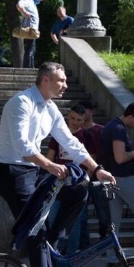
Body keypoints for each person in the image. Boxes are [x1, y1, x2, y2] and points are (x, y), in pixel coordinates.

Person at [0, 62, 115, 267]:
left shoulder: (50, 109)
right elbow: (22, 145)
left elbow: (70, 142)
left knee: (79, 190)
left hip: (34, 171)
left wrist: (96, 169)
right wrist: (49, 165)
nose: (66, 85)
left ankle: (53, 243)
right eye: (61, 80)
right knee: (36, 232)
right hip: (12, 173)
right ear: (45, 80)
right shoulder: (21, 103)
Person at [101, 102, 134, 267]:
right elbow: (120, 158)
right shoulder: (119, 129)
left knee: (114, 221)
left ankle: (112, 259)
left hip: (110, 179)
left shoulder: (109, 126)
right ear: (130, 117)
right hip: (123, 177)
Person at [45, 104, 96, 254]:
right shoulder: (58, 135)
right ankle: (55, 251)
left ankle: (72, 254)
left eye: (79, 120)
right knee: (53, 218)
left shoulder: (87, 136)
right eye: (72, 118)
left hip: (77, 185)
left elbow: (92, 161)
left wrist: (85, 182)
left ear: (84, 120)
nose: (74, 122)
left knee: (76, 222)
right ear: (68, 115)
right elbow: (50, 156)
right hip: (58, 183)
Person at [78, 100, 110, 240]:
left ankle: (103, 241)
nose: (83, 114)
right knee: (81, 216)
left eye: (86, 110)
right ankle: (84, 244)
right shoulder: (75, 132)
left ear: (92, 112)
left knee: (103, 215)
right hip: (80, 177)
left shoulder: (100, 130)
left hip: (98, 178)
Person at [16, 0, 47, 68]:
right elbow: (18, 5)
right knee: (30, 49)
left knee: (31, 49)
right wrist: (24, 12)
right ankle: (28, 69)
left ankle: (29, 67)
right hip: (29, 28)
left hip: (32, 28)